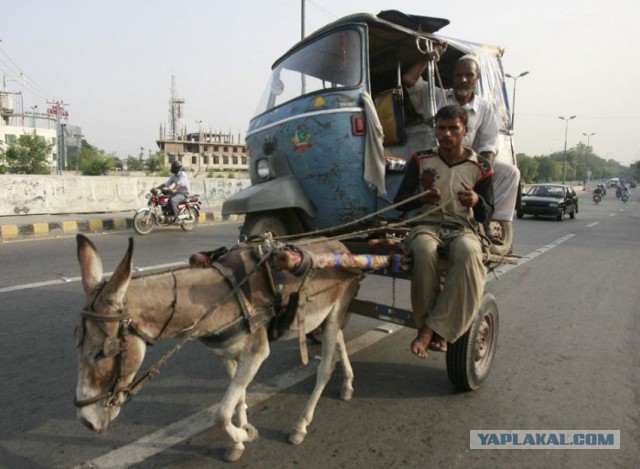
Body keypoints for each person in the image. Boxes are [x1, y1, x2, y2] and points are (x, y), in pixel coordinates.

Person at [394, 104, 494, 359]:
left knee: (469, 251)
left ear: (465, 132)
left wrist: (476, 201)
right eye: (441, 128)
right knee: (423, 249)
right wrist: (422, 199)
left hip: (463, 228)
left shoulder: (481, 167)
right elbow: (400, 201)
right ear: (435, 130)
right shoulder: (421, 159)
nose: (446, 134)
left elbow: (487, 213)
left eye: (453, 129)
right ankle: (435, 330)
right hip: (427, 226)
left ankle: (427, 331)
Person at [402, 54, 519, 253]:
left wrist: (478, 174)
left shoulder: (485, 108)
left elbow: (489, 146)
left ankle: (490, 221)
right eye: (458, 75)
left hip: (467, 163)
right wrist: (428, 56)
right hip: (437, 160)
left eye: (469, 75)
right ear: (452, 77)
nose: (463, 79)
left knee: (511, 172)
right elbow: (409, 80)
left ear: (477, 78)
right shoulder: (436, 95)